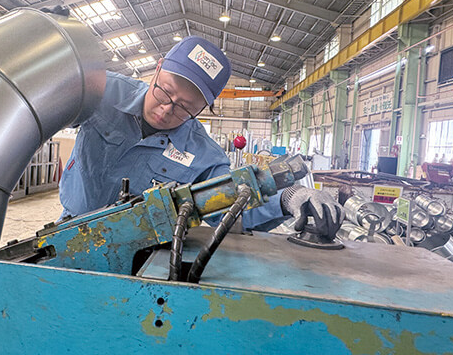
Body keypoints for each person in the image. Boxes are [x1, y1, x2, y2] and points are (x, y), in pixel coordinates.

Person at [59, 36, 342, 237]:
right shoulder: (101, 91)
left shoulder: (204, 155)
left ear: (203, 108)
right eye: (165, 91)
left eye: (185, 107)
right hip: (65, 231)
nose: (167, 109)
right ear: (158, 68)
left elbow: (233, 206)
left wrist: (286, 198)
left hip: (141, 256)